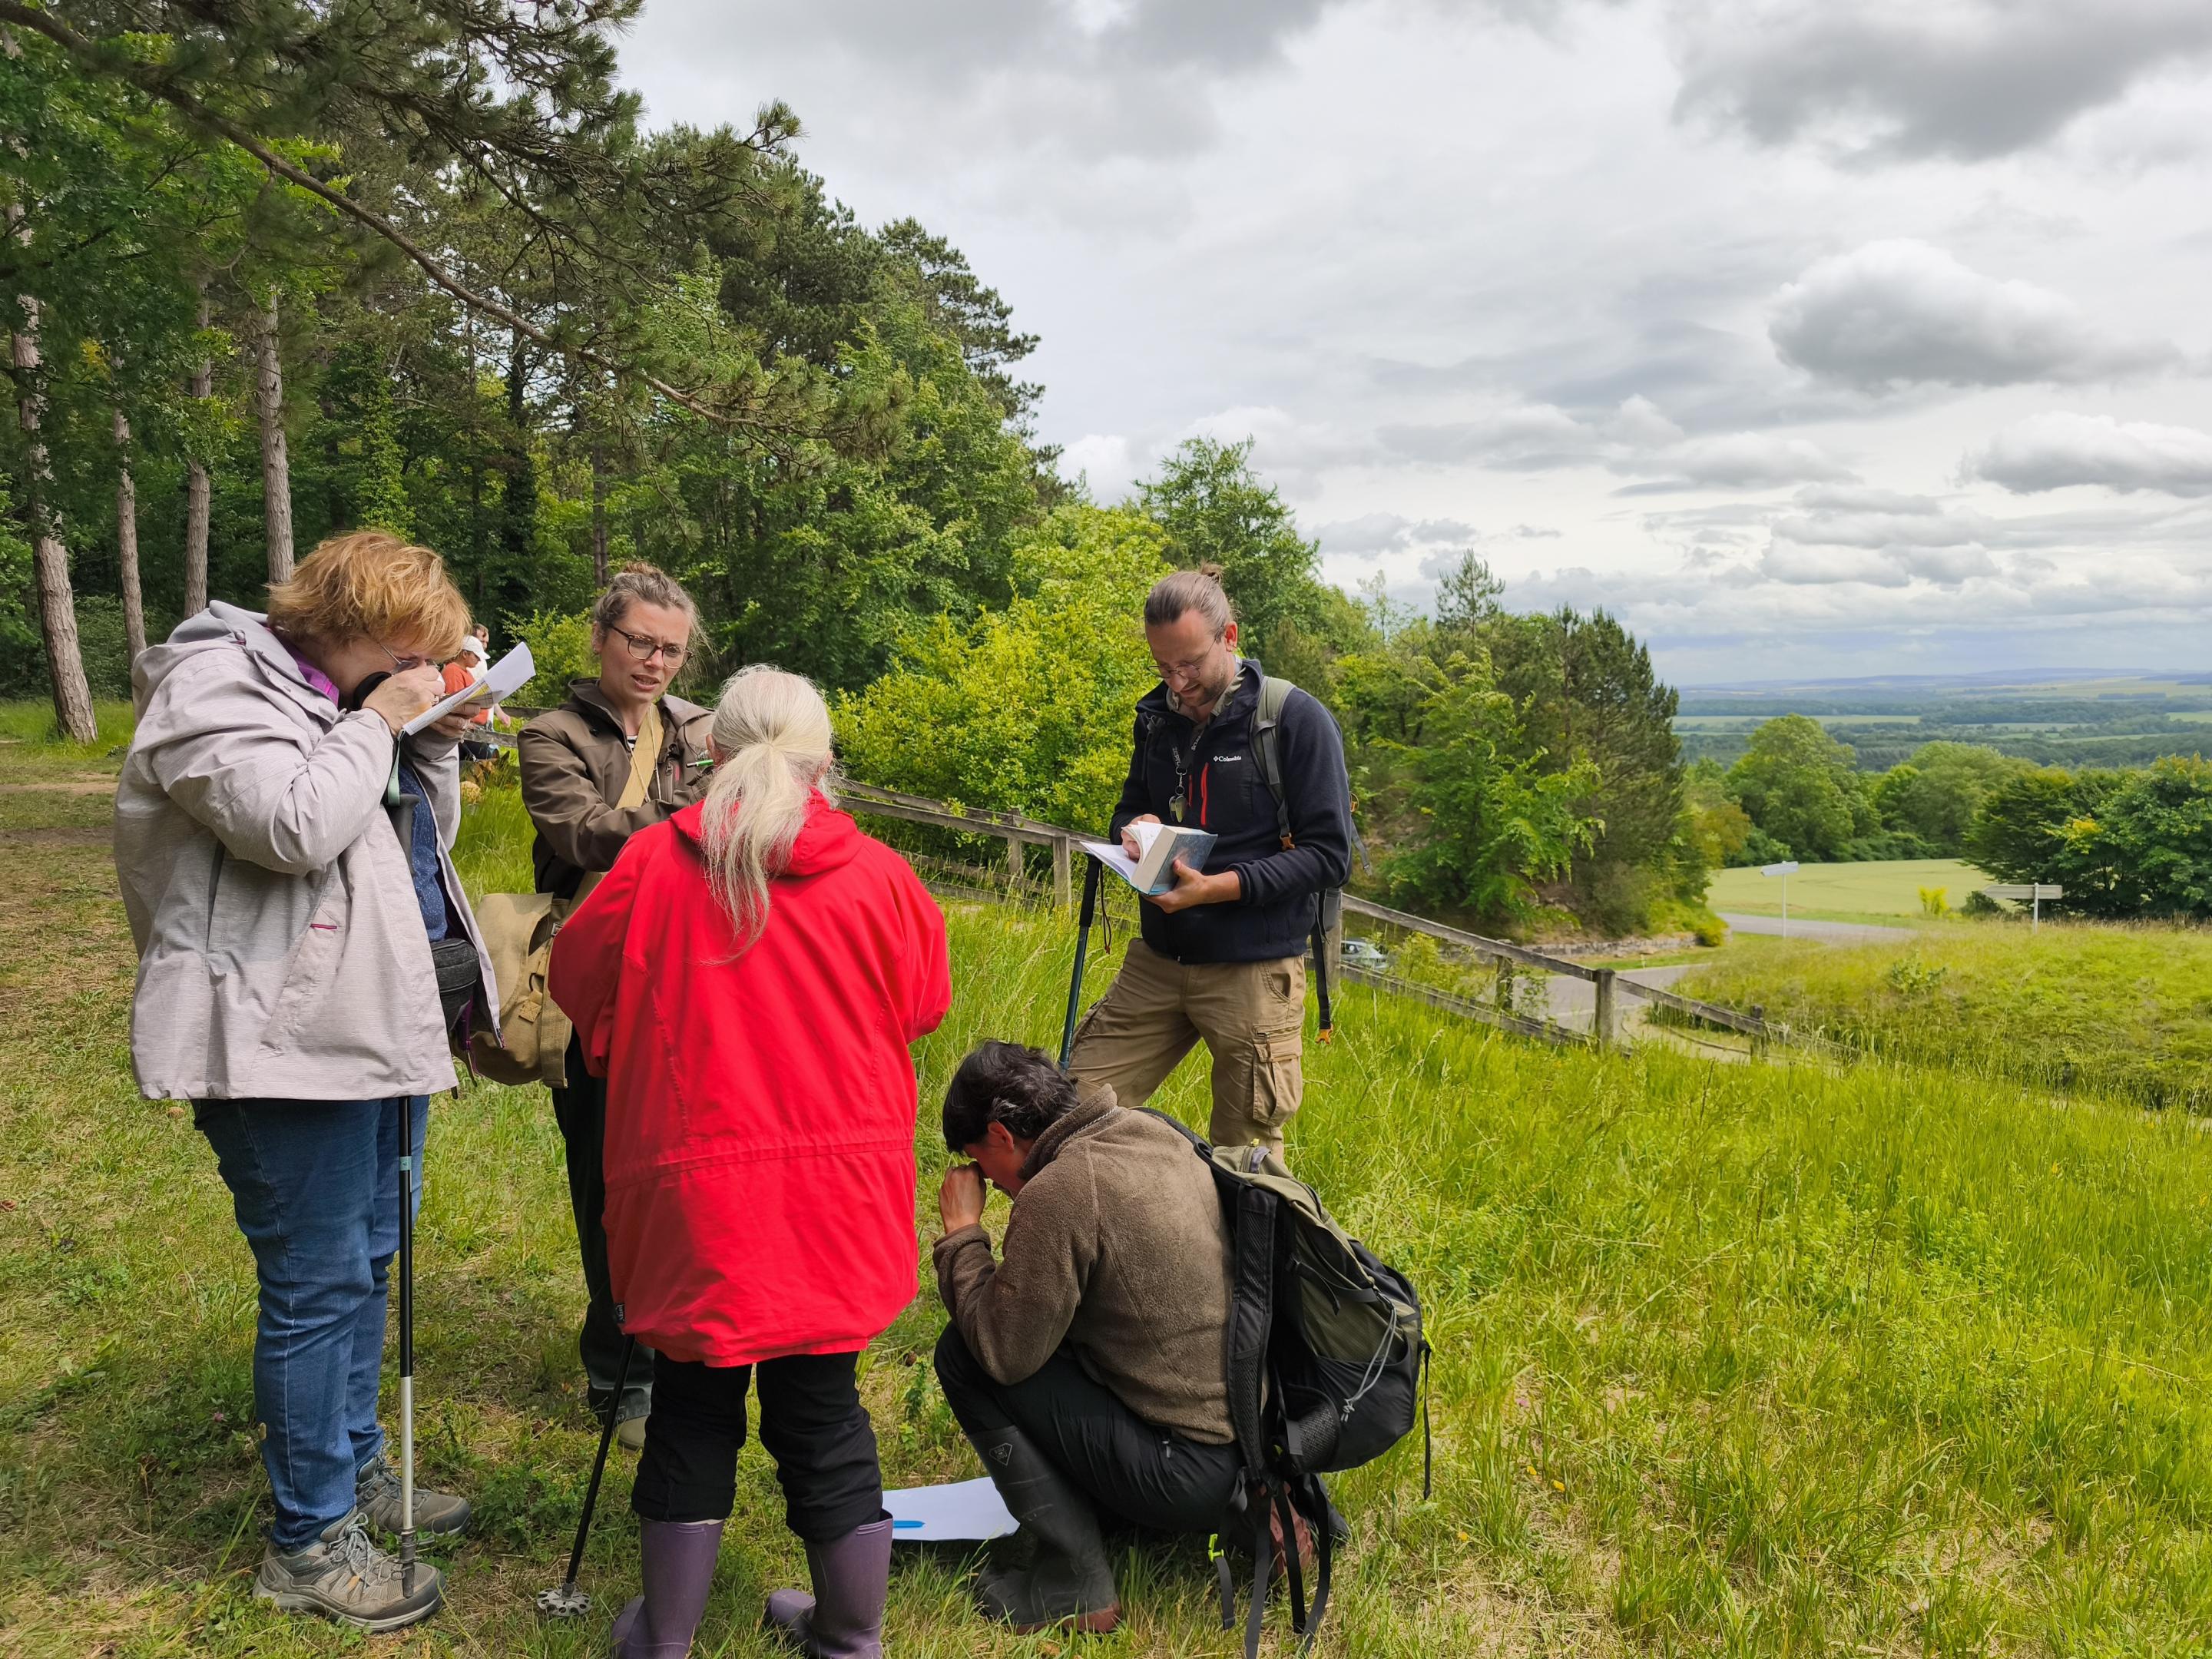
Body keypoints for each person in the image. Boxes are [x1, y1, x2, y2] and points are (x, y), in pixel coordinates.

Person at [112, 531, 495, 1631]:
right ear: (353, 622)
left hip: (369, 1025)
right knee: (318, 1284)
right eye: (408, 651)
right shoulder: (212, 689)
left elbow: (402, 844)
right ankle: (309, 1542)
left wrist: (424, 743)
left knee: (370, 1260)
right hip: (281, 1044)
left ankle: (353, 1468)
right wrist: (378, 718)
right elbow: (291, 827)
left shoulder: (342, 698)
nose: (417, 669)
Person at [549, 665, 951, 1659]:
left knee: (691, 1407)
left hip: (694, 1189)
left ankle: (666, 1640)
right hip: (841, 1195)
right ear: (824, 764)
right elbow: (924, 1005)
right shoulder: (883, 877)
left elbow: (573, 978)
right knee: (823, 1409)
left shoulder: (653, 863)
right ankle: (851, 1637)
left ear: (713, 753)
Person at [932, 1041, 1252, 1634]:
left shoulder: (1062, 1190)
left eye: (980, 1163)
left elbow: (1003, 1352)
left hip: (1183, 1473)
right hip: (1251, 1449)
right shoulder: (1151, 1132)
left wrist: (963, 1235)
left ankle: (1073, 1587)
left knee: (964, 1354)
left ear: (1001, 1135)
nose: (989, 1182)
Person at [518, 566, 715, 1449]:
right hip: (589, 975)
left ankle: (682, 1345)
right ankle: (619, 1372)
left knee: (684, 1173)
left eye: (671, 648)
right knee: (603, 1176)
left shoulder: (703, 729)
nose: (656, 661)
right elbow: (586, 834)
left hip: (693, 976)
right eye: (639, 641)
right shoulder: (548, 733)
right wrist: (703, 810)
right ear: (601, 636)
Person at [1065, 566, 1352, 1152]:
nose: (1178, 681)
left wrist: (1217, 888)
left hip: (1253, 972)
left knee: (1244, 1157)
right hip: (1158, 960)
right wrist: (1133, 830)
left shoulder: (1294, 720)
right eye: (1164, 667)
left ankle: (1238, 1244)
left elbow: (1330, 856)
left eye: (1190, 664)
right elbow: (1129, 808)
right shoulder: (1158, 720)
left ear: (1229, 636)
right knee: (1071, 1111)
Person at [443, 623, 502, 763]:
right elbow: (455, 703)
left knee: (490, 760)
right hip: (467, 731)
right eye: (476, 656)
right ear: (465, 654)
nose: (479, 660)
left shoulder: (465, 672)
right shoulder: (453, 671)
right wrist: (466, 723)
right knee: (486, 761)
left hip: (474, 728)